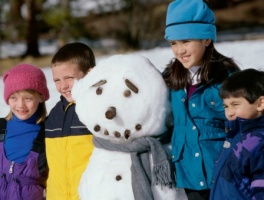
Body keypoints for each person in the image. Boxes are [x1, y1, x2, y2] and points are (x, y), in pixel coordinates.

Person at [162, 0, 240, 199]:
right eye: (173, 43)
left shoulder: (227, 78)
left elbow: (244, 124)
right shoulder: (170, 80)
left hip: (224, 172)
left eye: (186, 41)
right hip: (189, 175)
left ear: (207, 39)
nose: (180, 50)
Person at [45, 42, 96, 200]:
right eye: (57, 80)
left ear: (90, 74)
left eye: (68, 78)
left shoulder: (97, 110)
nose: (63, 86)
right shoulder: (54, 115)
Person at [210, 68, 264, 200]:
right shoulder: (234, 136)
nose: (230, 112)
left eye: (235, 104)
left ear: (260, 103)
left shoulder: (258, 142)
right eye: (226, 106)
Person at [0, 63, 49, 200]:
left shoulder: (48, 132)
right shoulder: (1, 128)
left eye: (27, 98)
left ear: (41, 97)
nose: (20, 105)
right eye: (13, 97)